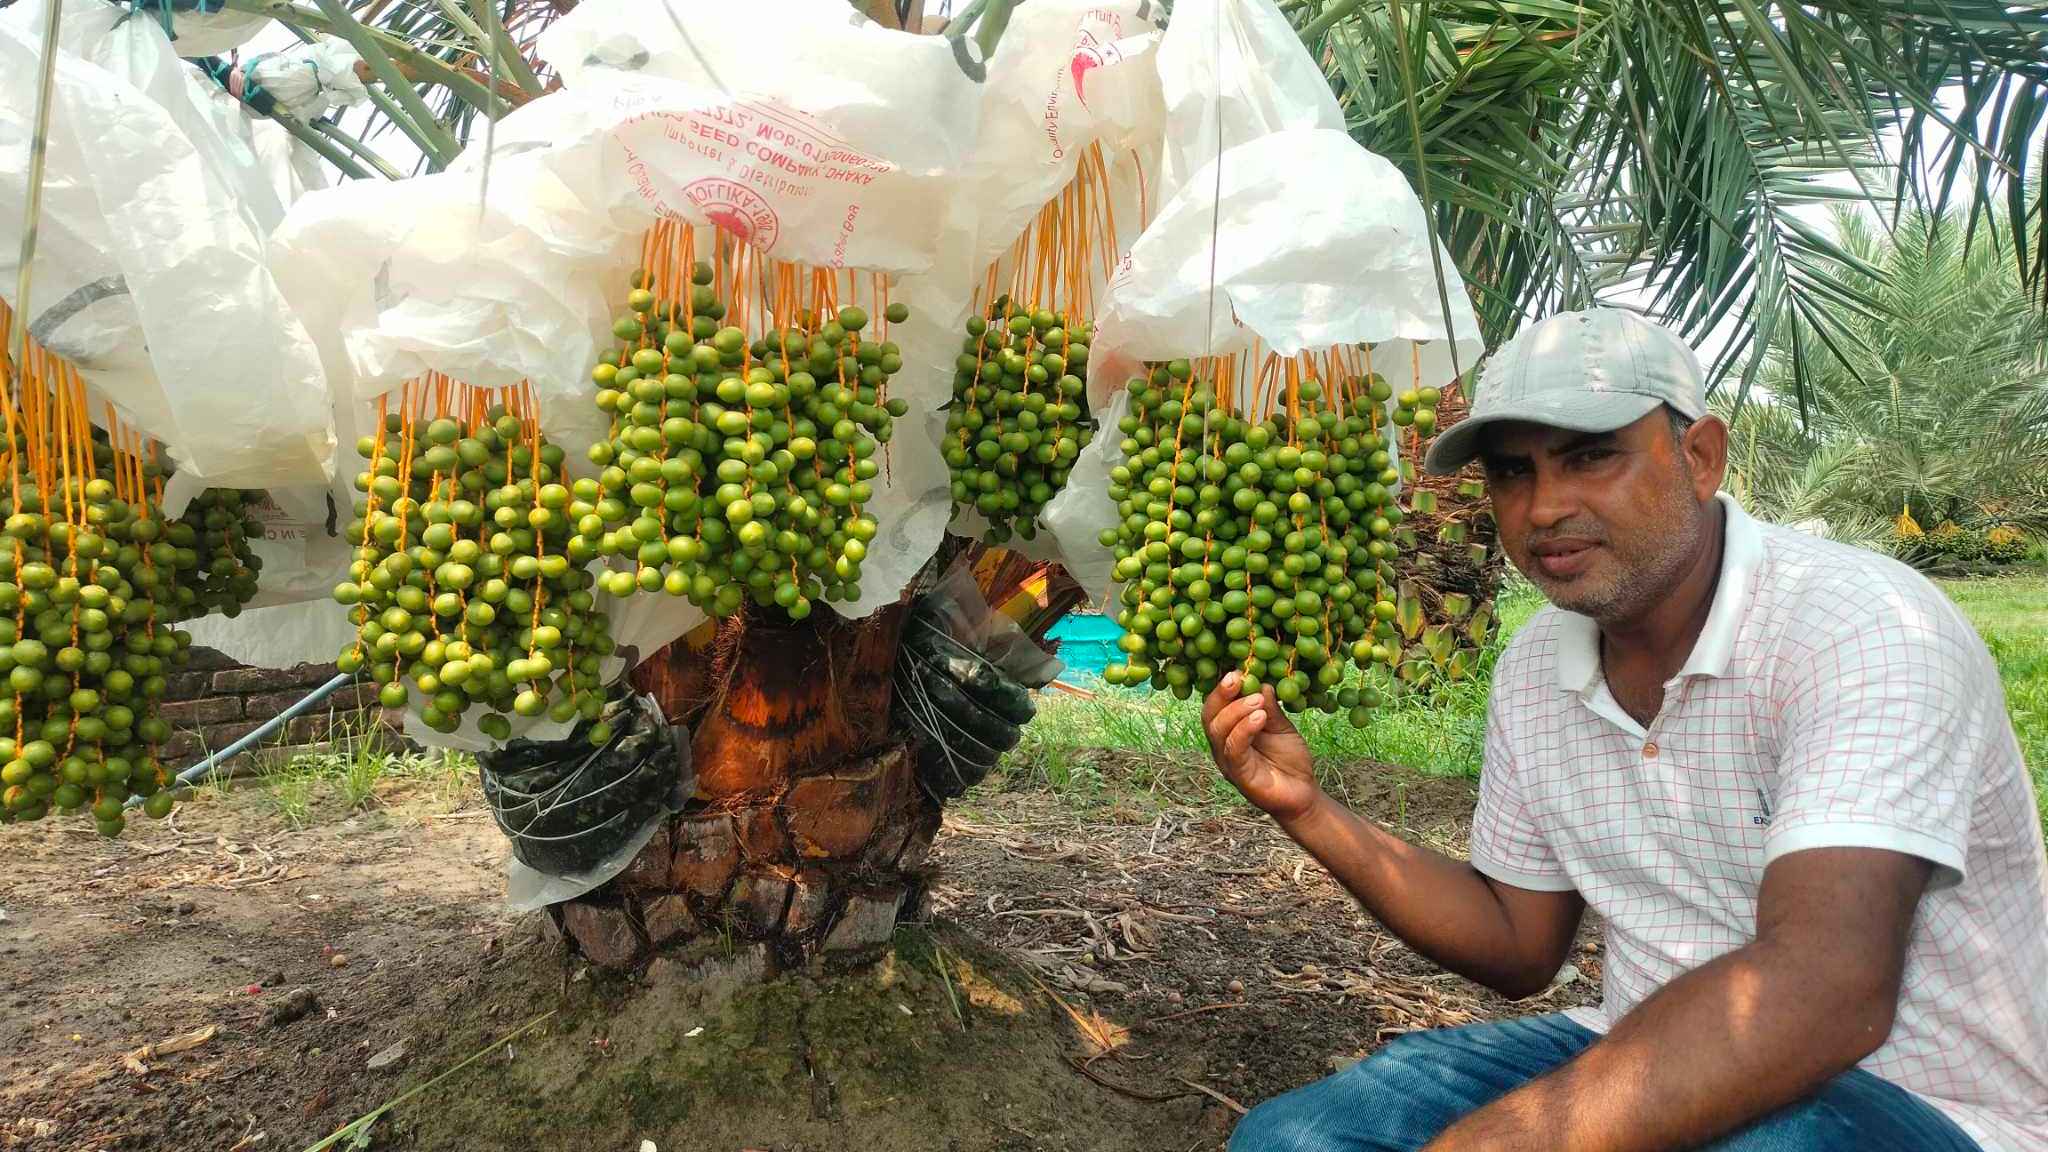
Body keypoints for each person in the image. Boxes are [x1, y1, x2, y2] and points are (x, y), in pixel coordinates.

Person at [1210, 309, 2048, 1152]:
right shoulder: (1539, 663)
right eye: (1512, 473)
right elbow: (1517, 941)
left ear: (1701, 457)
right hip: (1633, 1046)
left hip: (1903, 1096)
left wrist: (1497, 1144)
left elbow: (1826, 989)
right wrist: (1310, 810)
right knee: (1296, 1139)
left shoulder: (1860, 629)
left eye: (1590, 456)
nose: (1543, 508)